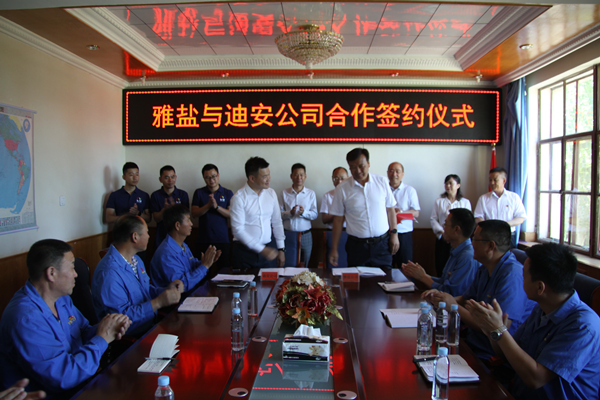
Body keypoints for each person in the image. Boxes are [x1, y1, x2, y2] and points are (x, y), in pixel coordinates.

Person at [466, 243, 600, 400]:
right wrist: (490, 329)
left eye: (523, 277)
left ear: (540, 288)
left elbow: (535, 379)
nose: (521, 280)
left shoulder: (583, 326)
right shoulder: (542, 308)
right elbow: (507, 354)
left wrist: (499, 330)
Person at [0, 240, 131, 396]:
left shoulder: (60, 298)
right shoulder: (25, 319)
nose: (76, 274)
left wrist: (108, 326)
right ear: (52, 273)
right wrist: (102, 338)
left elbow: (82, 332)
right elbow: (64, 377)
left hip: (81, 383)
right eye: (72, 267)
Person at [423, 220, 535, 359]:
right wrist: (440, 298)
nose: (471, 243)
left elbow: (498, 327)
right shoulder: (485, 268)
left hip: (490, 355)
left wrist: (453, 306)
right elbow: (465, 299)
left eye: (475, 239)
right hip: (471, 343)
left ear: (490, 246)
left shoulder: (512, 275)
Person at [92, 214, 184, 336]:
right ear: (135, 237)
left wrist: (167, 290)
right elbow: (120, 320)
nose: (149, 236)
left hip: (150, 325)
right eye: (147, 232)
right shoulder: (109, 273)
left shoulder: (136, 260)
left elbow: (144, 292)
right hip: (131, 337)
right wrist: (157, 303)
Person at [329, 148, 399, 268]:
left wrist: (394, 234)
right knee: (357, 279)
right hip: (357, 247)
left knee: (385, 277)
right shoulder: (342, 188)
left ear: (368, 164)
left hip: (382, 244)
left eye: (361, 166)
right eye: (353, 167)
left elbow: (390, 210)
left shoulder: (382, 182)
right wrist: (334, 248)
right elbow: (338, 220)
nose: (358, 171)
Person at [402, 208, 479, 296]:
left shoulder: (467, 257)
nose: (443, 229)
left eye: (445, 225)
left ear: (456, 229)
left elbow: (450, 293)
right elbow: (444, 282)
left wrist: (423, 277)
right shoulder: (456, 250)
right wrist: (420, 274)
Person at [230, 157, 285, 270]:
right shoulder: (239, 198)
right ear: (252, 178)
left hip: (268, 252)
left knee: (269, 281)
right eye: (264, 176)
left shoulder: (271, 193)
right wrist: (261, 249)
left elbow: (277, 222)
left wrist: (281, 249)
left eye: (269, 174)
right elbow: (238, 230)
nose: (269, 179)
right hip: (244, 253)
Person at [150, 204, 220, 291]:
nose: (191, 224)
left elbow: (190, 267)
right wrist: (204, 266)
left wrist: (207, 261)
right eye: (188, 220)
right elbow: (181, 285)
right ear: (177, 225)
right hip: (178, 299)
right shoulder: (166, 254)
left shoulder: (183, 245)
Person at [191, 164, 234, 272]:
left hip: (222, 239)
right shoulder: (199, 193)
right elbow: (194, 213)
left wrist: (216, 207)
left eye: (214, 176)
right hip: (203, 240)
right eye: (208, 177)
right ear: (204, 178)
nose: (211, 180)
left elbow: (231, 214)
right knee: (202, 273)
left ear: (218, 175)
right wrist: (208, 205)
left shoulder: (227, 193)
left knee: (224, 273)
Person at [474, 167, 526, 247]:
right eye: (490, 180)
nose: (492, 183)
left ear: (504, 180)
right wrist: (488, 227)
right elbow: (478, 217)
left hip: (508, 235)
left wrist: (504, 225)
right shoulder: (483, 198)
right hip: (489, 236)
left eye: (495, 180)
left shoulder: (514, 197)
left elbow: (521, 217)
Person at [431, 174, 472, 276]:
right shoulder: (439, 201)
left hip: (459, 240)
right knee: (441, 265)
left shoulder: (465, 202)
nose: (448, 186)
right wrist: (442, 232)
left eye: (450, 183)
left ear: (458, 185)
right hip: (443, 238)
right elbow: (433, 219)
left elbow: (468, 221)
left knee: (457, 267)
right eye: (446, 183)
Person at [280, 163, 318, 266]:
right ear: (291, 176)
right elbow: (278, 215)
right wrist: (290, 213)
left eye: (301, 175)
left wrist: (304, 213)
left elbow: (315, 214)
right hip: (288, 234)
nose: (299, 178)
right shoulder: (284, 193)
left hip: (305, 234)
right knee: (288, 263)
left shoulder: (311, 194)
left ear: (305, 176)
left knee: (305, 264)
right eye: (296, 175)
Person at [387, 162, 420, 266]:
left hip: (404, 234)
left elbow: (416, 213)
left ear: (402, 174)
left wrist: (401, 212)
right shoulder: (383, 189)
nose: (394, 174)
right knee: (387, 265)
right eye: (391, 171)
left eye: (397, 171)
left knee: (405, 266)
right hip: (386, 234)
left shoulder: (410, 190)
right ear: (387, 173)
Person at [149, 165, 190, 247]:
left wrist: (175, 210)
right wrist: (164, 210)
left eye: (172, 177)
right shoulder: (155, 195)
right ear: (160, 179)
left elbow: (186, 217)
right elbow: (156, 218)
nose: (170, 180)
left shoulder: (183, 194)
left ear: (176, 177)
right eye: (166, 177)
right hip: (161, 235)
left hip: (180, 235)